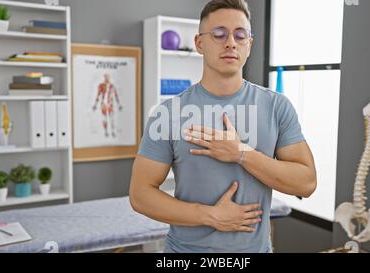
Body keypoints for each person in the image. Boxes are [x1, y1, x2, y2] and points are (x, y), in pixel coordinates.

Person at [130, 0, 317, 253]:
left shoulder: (276, 107)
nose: (231, 42)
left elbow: (306, 183)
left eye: (240, 35)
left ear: (249, 44)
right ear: (199, 43)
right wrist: (210, 215)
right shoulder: (167, 113)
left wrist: (241, 154)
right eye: (219, 34)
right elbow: (140, 195)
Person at [92, 73, 123, 138]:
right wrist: (95, 104)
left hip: (110, 104)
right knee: (104, 118)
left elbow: (116, 96)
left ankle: (112, 131)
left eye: (108, 77)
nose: (107, 78)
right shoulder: (101, 85)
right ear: (104, 77)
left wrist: (119, 104)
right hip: (103, 104)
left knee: (112, 118)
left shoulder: (112, 86)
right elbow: (98, 95)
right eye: (106, 77)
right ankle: (106, 131)